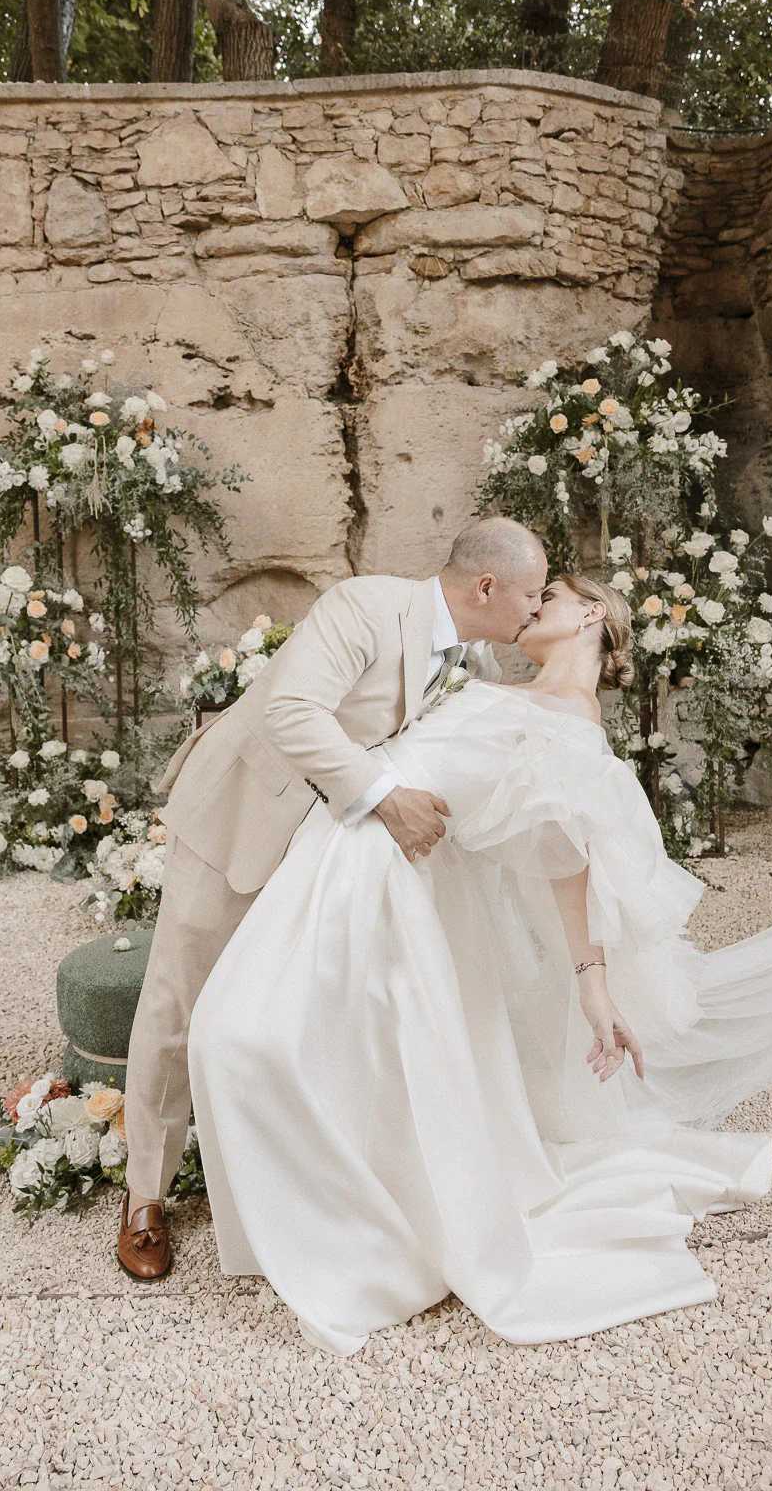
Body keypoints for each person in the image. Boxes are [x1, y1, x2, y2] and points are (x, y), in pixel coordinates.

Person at [186, 573, 772, 1355]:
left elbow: (566, 858)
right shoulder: (477, 675)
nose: (533, 607)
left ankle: (354, 1242)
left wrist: (591, 988)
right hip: (341, 861)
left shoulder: (570, 720)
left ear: (592, 614)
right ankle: (331, 1219)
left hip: (380, 886)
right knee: (246, 1036)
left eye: (552, 597)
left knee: (246, 1037)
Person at [117, 517, 550, 1279]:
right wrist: (385, 797)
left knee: (294, 1004)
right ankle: (144, 1194)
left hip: (326, 852)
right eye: (531, 595)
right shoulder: (366, 606)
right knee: (179, 1002)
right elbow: (291, 713)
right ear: (486, 586)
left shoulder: (474, 657)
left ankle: (268, 1172)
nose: (534, 611)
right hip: (243, 814)